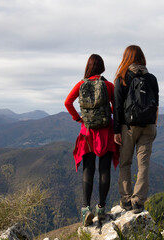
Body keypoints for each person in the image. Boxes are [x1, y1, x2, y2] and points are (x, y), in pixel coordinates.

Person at [64, 54, 118, 226]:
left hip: (87, 132)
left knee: (88, 170)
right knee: (104, 170)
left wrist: (78, 118)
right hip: (105, 132)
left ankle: (86, 209)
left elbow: (67, 102)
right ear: (102, 67)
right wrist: (107, 111)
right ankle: (101, 208)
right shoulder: (108, 85)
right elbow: (115, 107)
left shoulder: (81, 84)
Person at [113, 45, 159, 213]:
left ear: (126, 58)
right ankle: (138, 202)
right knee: (143, 165)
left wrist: (116, 130)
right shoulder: (152, 78)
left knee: (125, 163)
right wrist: (153, 125)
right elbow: (156, 105)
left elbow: (117, 107)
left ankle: (126, 200)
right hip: (148, 127)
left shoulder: (122, 78)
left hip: (128, 128)